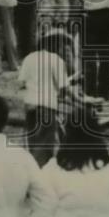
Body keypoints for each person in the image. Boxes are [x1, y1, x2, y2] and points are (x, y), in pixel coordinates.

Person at [18, 32, 72, 168]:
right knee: (44, 148)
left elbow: (21, 83)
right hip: (47, 106)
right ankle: (38, 178)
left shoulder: (29, 58)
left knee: (33, 144)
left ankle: (31, 175)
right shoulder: (56, 60)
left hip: (30, 105)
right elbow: (65, 87)